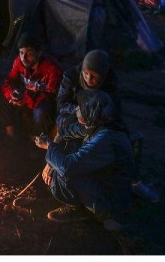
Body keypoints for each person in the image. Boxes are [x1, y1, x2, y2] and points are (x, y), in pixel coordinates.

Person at [55, 49, 159, 203]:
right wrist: (78, 110)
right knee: (67, 130)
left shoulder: (110, 82)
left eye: (94, 76)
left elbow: (115, 111)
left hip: (99, 119)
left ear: (103, 76)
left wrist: (100, 117)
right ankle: (65, 175)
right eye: (86, 74)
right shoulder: (71, 76)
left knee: (128, 139)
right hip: (74, 116)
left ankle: (134, 182)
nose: (89, 79)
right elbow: (61, 103)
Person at [34, 89, 134, 232]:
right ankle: (89, 206)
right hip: (105, 181)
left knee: (60, 174)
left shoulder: (106, 138)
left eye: (82, 110)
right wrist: (50, 160)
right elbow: (65, 132)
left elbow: (68, 167)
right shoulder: (100, 122)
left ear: (90, 115)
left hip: (110, 197)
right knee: (66, 150)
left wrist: (50, 147)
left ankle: (91, 212)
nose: (78, 110)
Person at [0, 33, 62, 140]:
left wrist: (33, 91)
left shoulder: (51, 67)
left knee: (41, 113)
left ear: (39, 53)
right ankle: (10, 138)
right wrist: (12, 94)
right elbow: (9, 81)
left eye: (29, 53)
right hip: (25, 99)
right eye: (21, 52)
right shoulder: (19, 62)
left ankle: (37, 141)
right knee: (1, 97)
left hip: (42, 102)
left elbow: (52, 92)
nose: (24, 57)